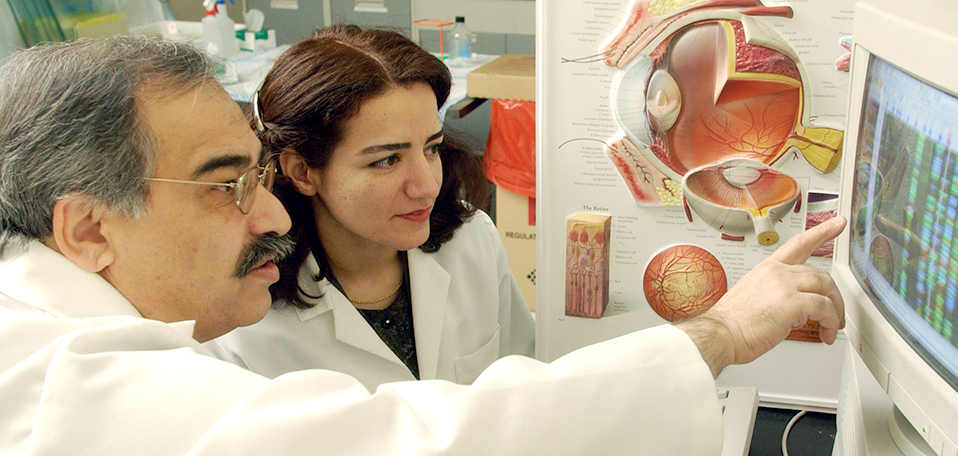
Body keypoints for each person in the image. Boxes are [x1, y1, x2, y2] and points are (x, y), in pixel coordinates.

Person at [0, 35, 846, 456]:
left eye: (432, 148)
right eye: (227, 186)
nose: (268, 217)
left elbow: (520, 383)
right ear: (86, 228)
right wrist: (722, 335)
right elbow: (415, 438)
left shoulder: (464, 240)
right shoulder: (75, 382)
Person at [209, 26, 534, 389]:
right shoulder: (244, 315)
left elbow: (520, 385)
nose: (426, 186)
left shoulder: (472, 241)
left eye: (431, 148)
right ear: (302, 171)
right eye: (386, 161)